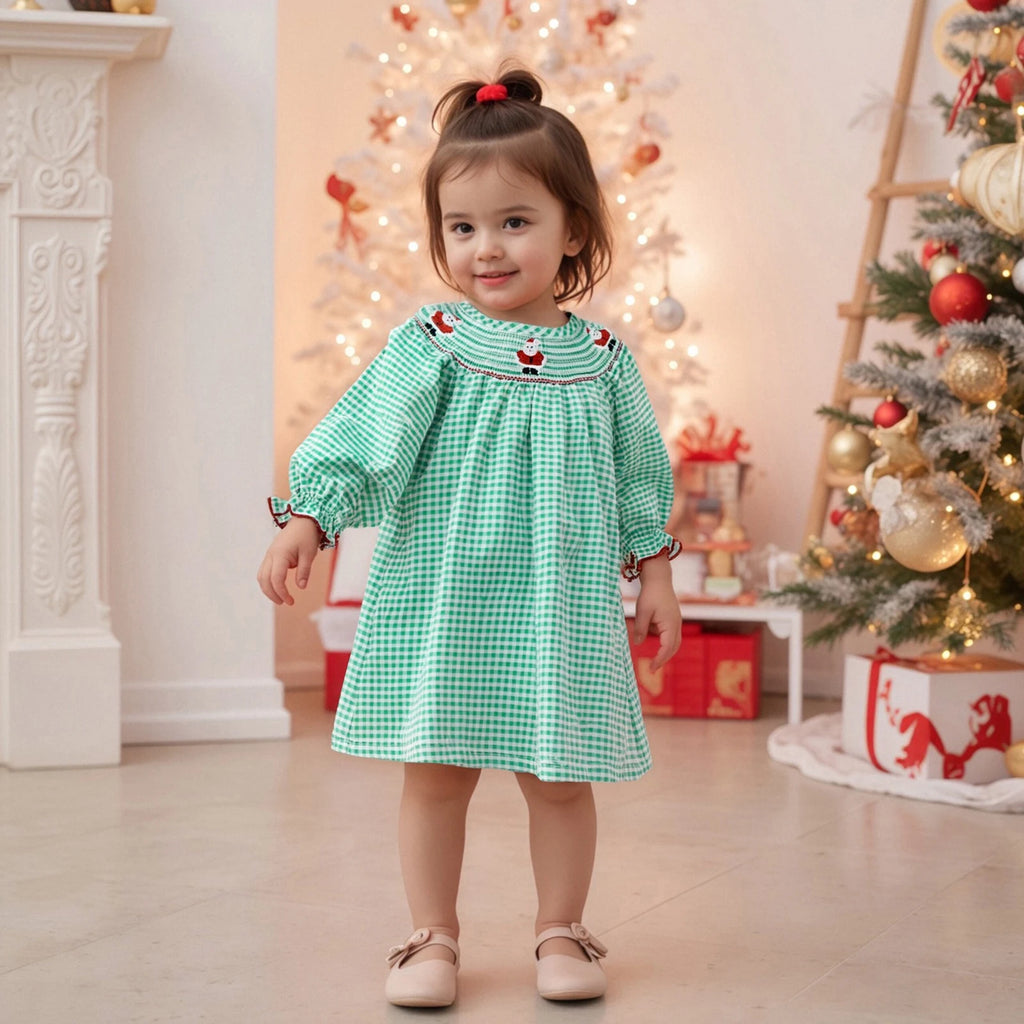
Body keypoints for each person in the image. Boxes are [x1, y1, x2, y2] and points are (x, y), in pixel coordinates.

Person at [258, 64, 681, 1009]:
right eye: (462, 227)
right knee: (437, 777)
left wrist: (654, 573)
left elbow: (639, 477)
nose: (486, 248)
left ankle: (560, 931)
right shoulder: (433, 340)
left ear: (574, 228)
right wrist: (310, 517)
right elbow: (364, 437)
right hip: (447, 599)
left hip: (558, 603)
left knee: (560, 779)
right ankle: (430, 939)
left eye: (514, 222)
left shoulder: (604, 361)